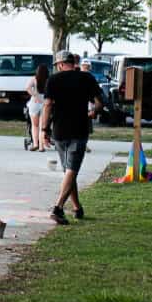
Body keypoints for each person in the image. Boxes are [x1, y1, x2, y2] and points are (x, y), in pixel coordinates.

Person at [42, 50, 103, 224]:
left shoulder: (53, 80)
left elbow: (47, 106)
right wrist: (93, 112)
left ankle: (77, 207)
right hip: (79, 129)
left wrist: (44, 130)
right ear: (73, 63)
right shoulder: (86, 78)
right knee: (72, 170)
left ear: (60, 64)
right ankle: (58, 208)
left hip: (59, 131)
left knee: (69, 170)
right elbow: (99, 103)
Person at [26, 64, 50, 151]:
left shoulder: (34, 79)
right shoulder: (48, 80)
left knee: (34, 125)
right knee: (41, 126)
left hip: (34, 103)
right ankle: (41, 146)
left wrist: (35, 95)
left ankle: (35, 143)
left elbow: (28, 88)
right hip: (45, 103)